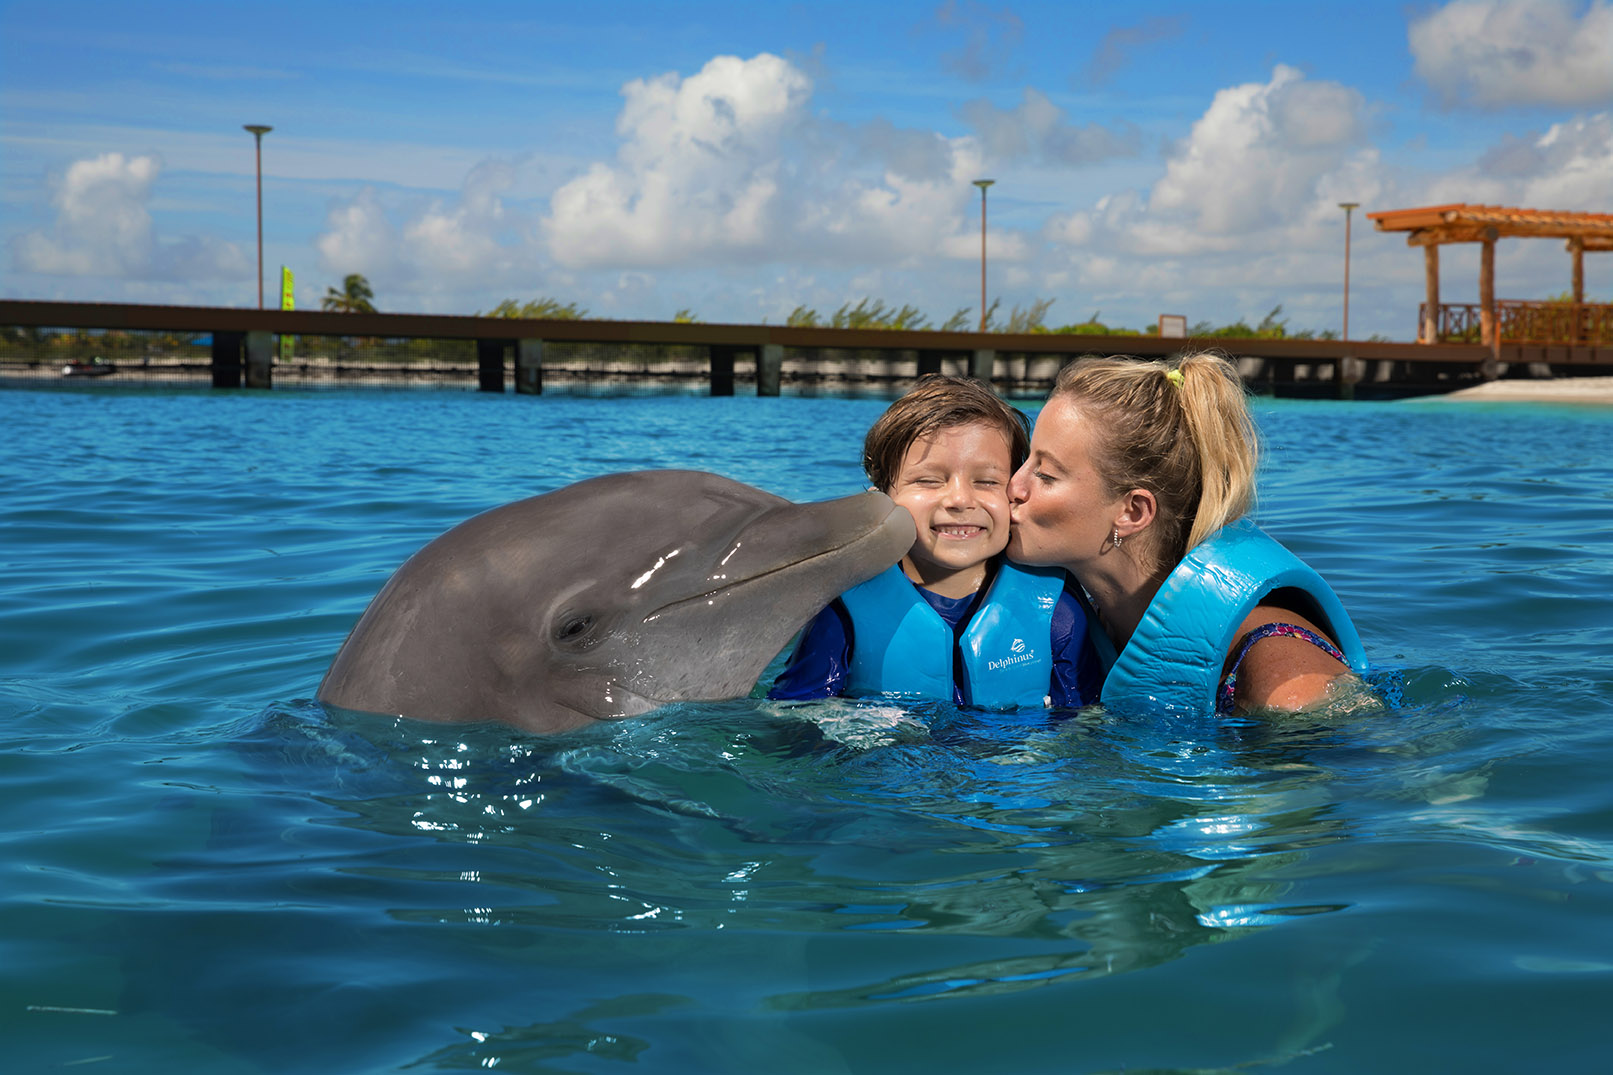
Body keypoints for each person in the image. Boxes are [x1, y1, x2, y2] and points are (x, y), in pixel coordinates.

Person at [1006, 352, 1368, 716]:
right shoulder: (1089, 627)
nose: (1013, 486)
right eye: (1024, 461)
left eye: (1046, 475)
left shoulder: (1282, 677)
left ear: (1132, 512)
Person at [770, 375, 1101, 708]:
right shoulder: (843, 612)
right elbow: (795, 715)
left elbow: (1084, 726)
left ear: (1016, 494)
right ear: (879, 504)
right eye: (928, 481)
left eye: (987, 481)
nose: (959, 499)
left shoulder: (1056, 611)